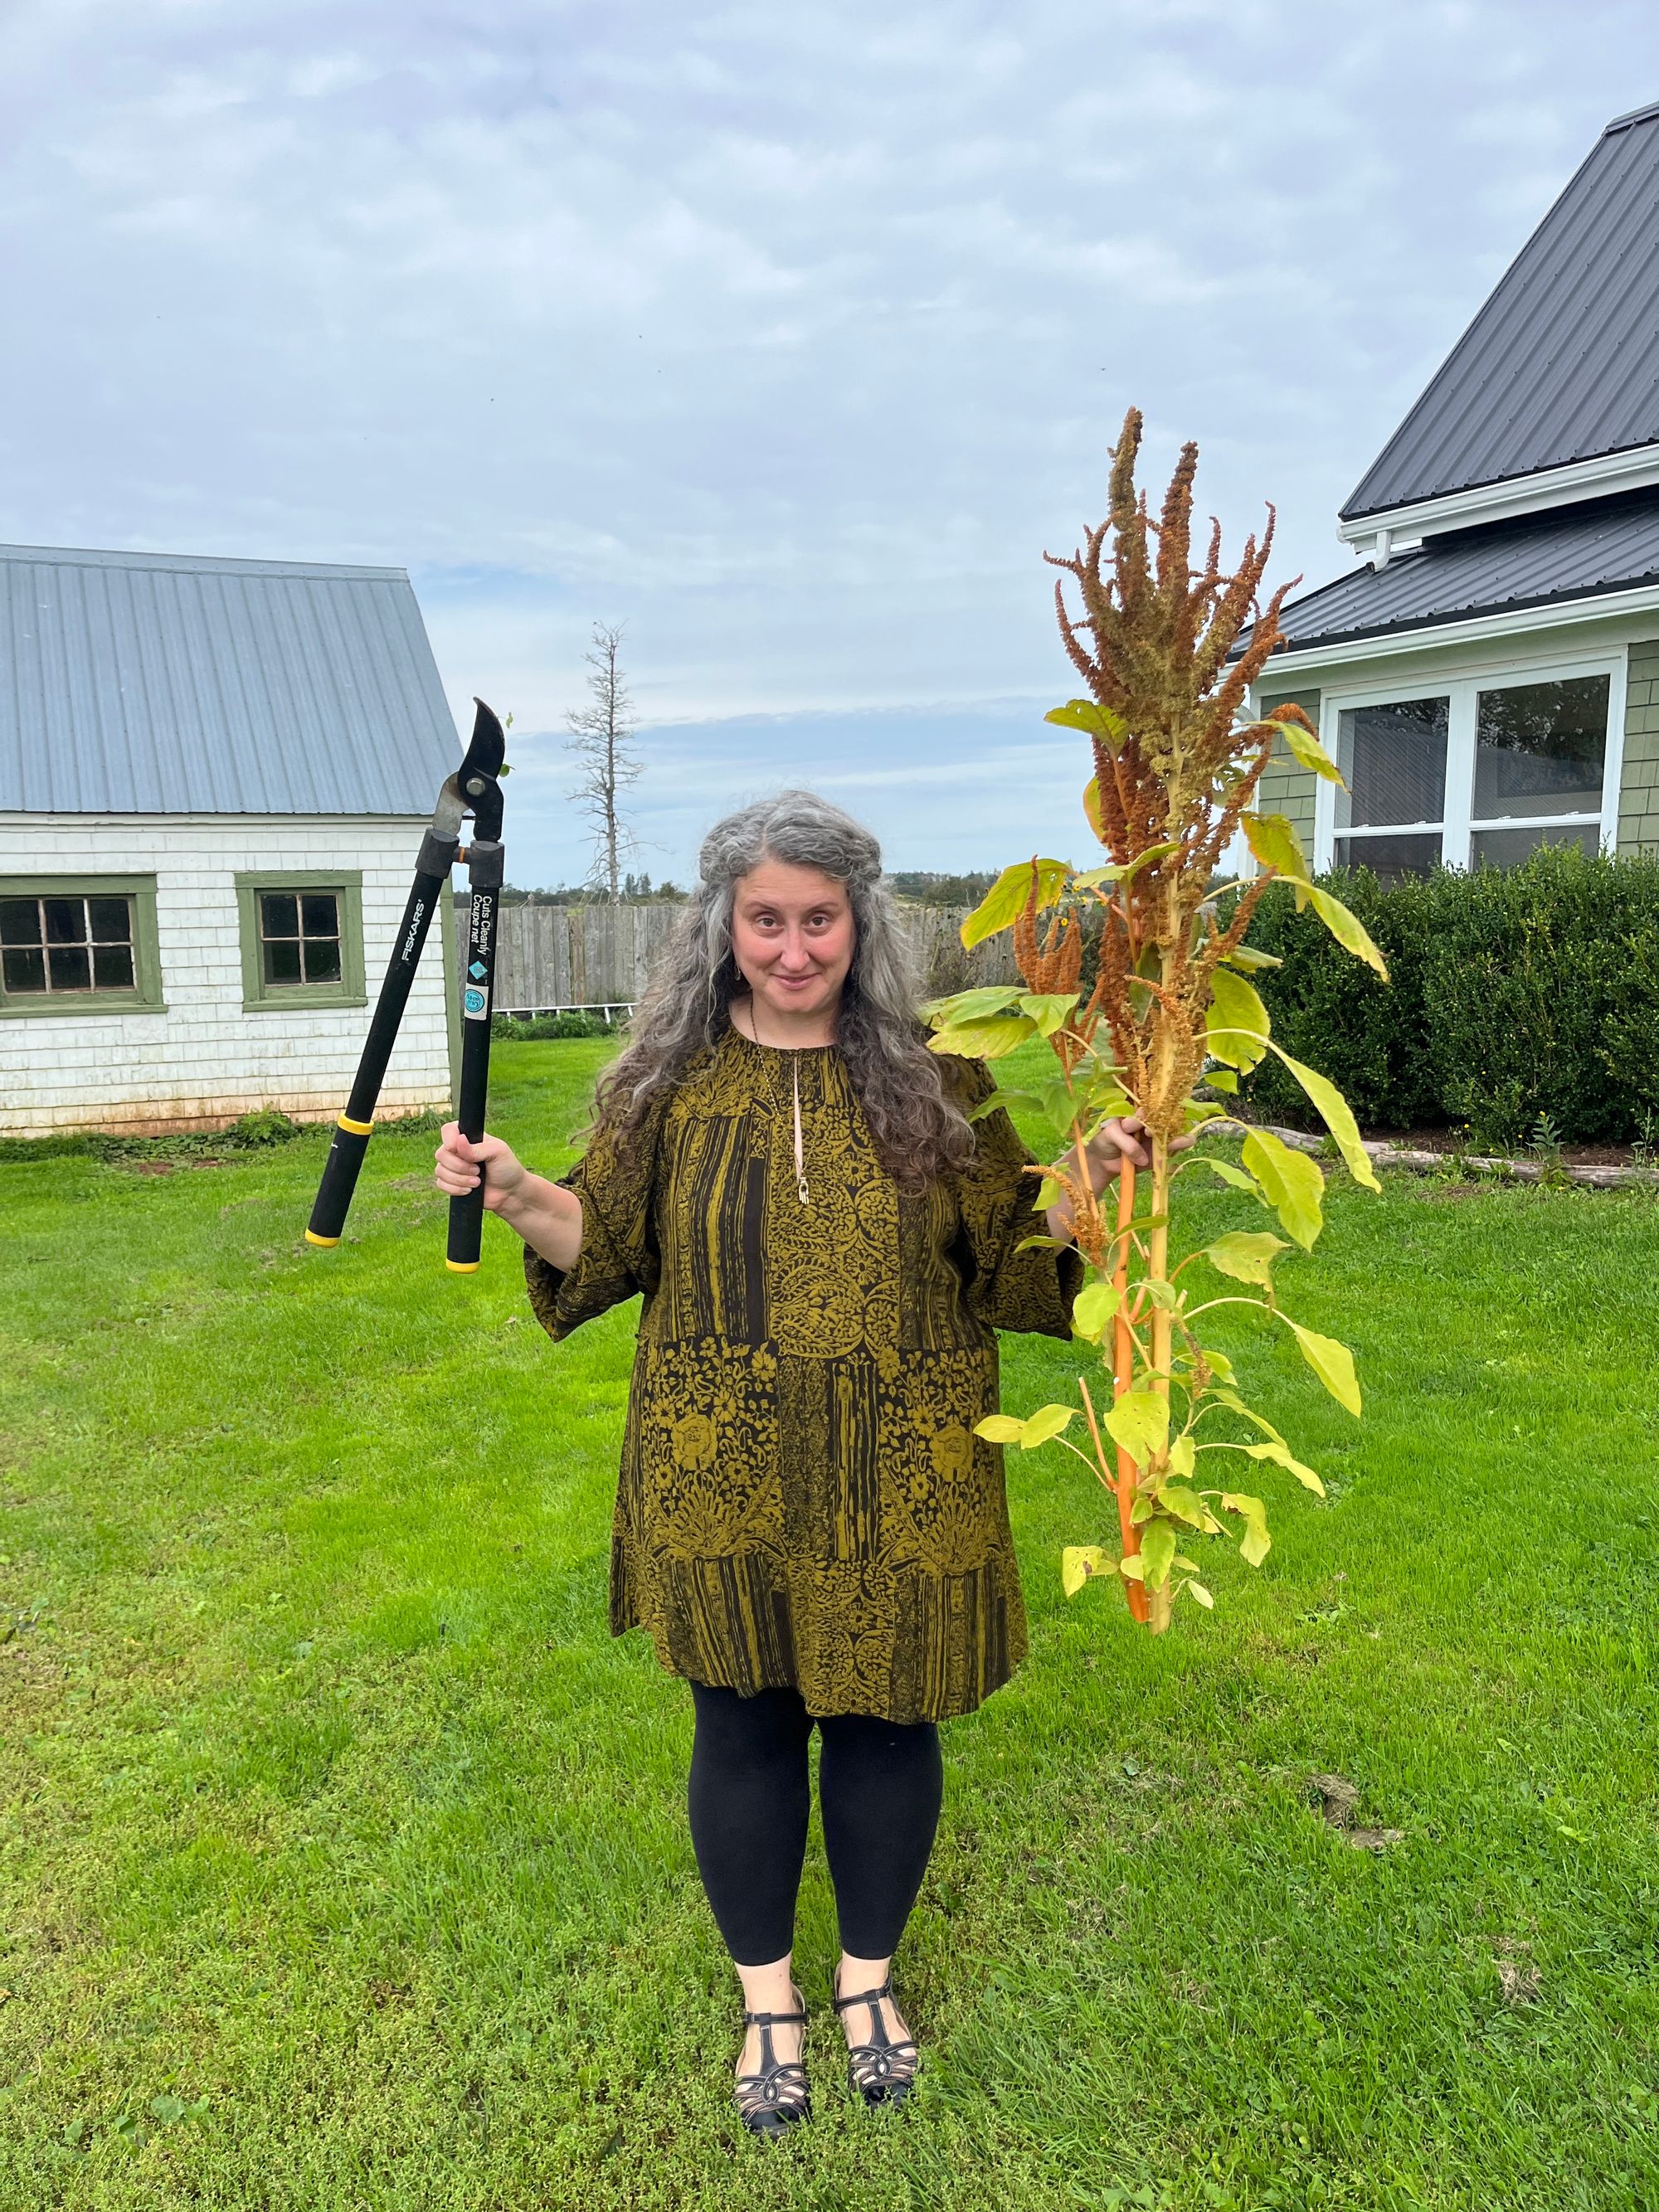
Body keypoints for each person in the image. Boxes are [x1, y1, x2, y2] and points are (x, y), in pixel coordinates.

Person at [432, 792, 1153, 2138]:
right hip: (724, 1463)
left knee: (889, 1723)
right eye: (766, 920)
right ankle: (771, 1998)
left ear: (860, 925)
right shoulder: (672, 1083)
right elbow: (613, 1240)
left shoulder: (944, 1080)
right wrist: (522, 1191)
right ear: (725, 926)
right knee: (747, 1725)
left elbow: (1011, 1252)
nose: (793, 949)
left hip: (908, 1458)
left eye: (819, 919)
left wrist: (1090, 1182)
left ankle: (867, 1982)